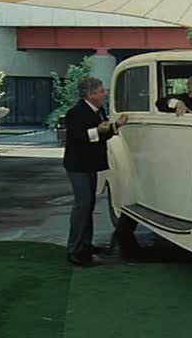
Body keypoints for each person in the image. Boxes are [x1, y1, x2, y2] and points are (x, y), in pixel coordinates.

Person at [63, 77, 128, 266]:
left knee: (88, 205)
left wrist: (116, 126)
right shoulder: (75, 113)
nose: (104, 94)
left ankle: (85, 244)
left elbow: (103, 133)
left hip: (89, 165)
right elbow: (79, 137)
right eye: (101, 91)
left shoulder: (98, 110)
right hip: (78, 166)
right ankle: (74, 250)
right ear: (90, 94)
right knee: (82, 206)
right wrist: (98, 130)